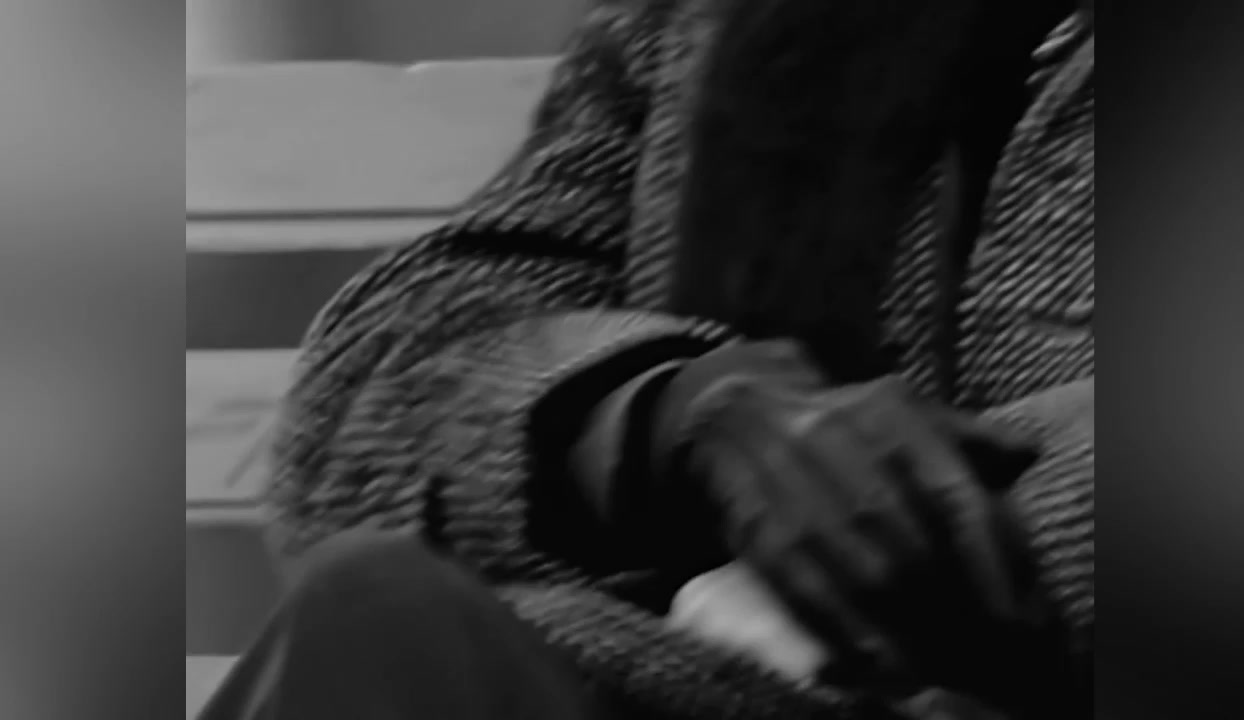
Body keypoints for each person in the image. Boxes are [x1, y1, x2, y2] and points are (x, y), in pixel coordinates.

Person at [202, 0, 1094, 718]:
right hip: (652, 672)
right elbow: (361, 411)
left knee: (390, 636)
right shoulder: (699, 28)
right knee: (383, 613)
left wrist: (875, 555)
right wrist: (666, 415)